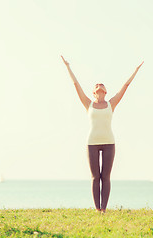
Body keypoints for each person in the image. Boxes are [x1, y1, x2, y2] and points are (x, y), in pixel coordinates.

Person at [61, 56, 143, 212]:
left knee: (105, 177)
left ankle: (103, 209)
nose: (99, 85)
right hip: (92, 142)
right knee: (95, 177)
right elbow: (75, 84)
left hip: (109, 143)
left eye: (101, 85)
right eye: (96, 85)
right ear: (94, 92)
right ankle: (97, 209)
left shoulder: (111, 104)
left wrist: (135, 70)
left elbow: (125, 85)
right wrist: (68, 67)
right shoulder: (88, 104)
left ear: (105, 91)